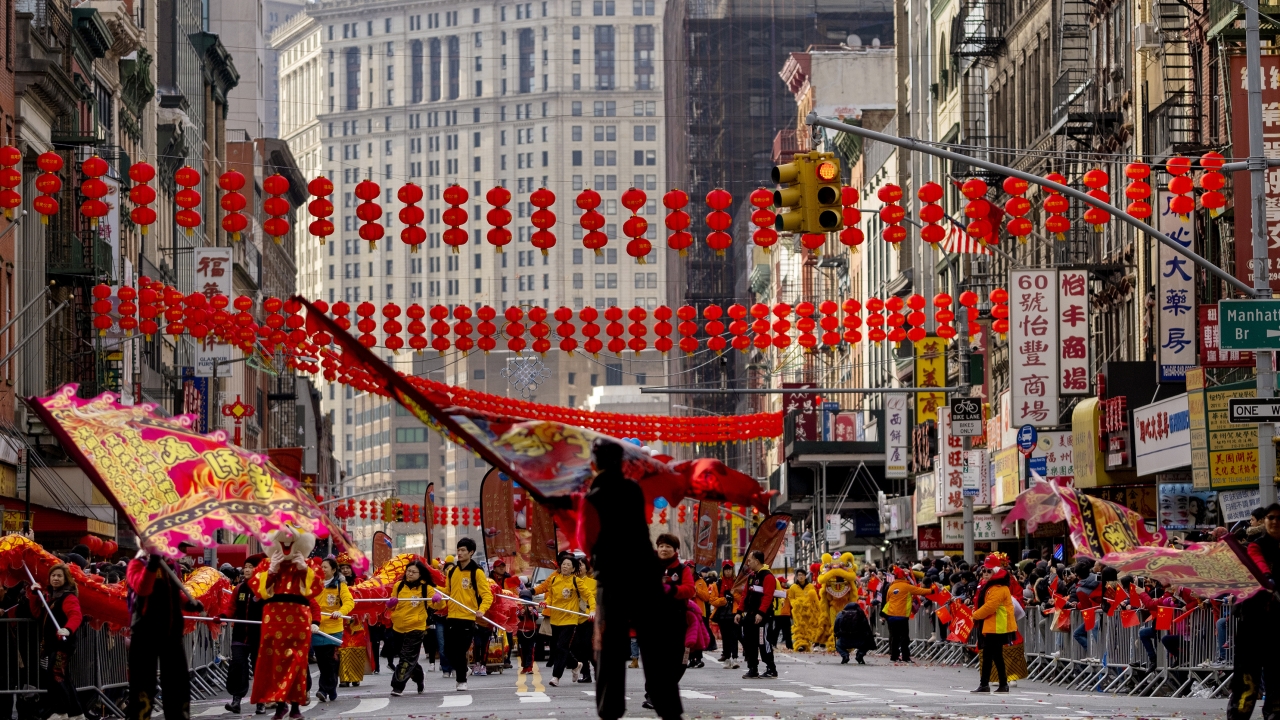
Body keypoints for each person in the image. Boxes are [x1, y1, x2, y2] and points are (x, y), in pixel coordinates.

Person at [579, 439, 682, 720]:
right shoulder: (633, 489)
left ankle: (610, 711)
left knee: (610, 650)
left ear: (594, 464)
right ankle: (669, 709)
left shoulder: (593, 497)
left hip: (612, 580)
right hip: (645, 576)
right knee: (655, 647)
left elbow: (587, 541)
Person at [249, 530, 323, 720]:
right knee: (274, 661)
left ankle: (296, 706)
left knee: (298, 661)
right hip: (273, 617)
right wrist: (272, 570)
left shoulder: (308, 564)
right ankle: (280, 704)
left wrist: (305, 570)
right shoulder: (266, 564)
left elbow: (316, 588)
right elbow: (258, 589)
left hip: (299, 617)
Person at [127, 552, 200, 720]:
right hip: (145, 634)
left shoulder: (172, 565)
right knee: (143, 687)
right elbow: (142, 588)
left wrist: (188, 603)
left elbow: (175, 592)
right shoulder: (137, 565)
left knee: (177, 685)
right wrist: (152, 565)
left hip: (172, 633)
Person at [429, 538, 494, 692]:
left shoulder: (476, 572)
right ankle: (463, 669)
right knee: (447, 651)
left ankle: (461, 680)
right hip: (451, 616)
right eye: (458, 550)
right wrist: (434, 590)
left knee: (459, 650)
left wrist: (482, 610)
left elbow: (487, 595)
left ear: (471, 552)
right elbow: (448, 592)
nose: (460, 553)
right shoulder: (452, 571)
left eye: (463, 550)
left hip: (467, 618)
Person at [29, 563, 83, 720]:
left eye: (59, 575)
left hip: (63, 645)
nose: (56, 578)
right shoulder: (49, 597)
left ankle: (61, 711)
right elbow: (36, 613)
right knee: (62, 677)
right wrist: (34, 595)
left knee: (56, 675)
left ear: (66, 579)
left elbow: (75, 615)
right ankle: (76, 712)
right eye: (53, 575)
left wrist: (68, 629)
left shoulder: (68, 597)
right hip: (53, 644)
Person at [536, 555, 592, 686]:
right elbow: (551, 597)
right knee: (557, 647)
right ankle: (575, 664)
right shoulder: (554, 579)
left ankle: (556, 676)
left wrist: (593, 610)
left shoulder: (576, 581)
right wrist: (545, 602)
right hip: (556, 619)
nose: (565, 566)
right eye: (563, 564)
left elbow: (588, 595)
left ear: (573, 569)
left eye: (568, 565)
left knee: (561, 647)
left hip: (570, 619)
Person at [224, 554, 267, 714]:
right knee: (238, 666)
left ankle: (261, 702)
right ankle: (236, 700)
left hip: (260, 636)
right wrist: (223, 617)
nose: (247, 569)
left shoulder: (265, 588)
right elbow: (231, 608)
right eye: (246, 566)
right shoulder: (239, 588)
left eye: (251, 566)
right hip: (240, 635)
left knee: (259, 670)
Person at [389, 560, 434, 696]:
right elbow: (391, 605)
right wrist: (391, 603)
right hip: (398, 627)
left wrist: (437, 600)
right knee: (407, 658)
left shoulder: (426, 588)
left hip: (416, 627)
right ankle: (420, 677)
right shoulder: (399, 585)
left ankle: (397, 686)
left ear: (420, 574)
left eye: (413, 572)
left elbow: (439, 606)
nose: (410, 574)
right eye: (408, 571)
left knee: (406, 658)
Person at [970, 563, 1016, 693]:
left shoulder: (998, 588)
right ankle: (995, 684)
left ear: (995, 573)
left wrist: (975, 615)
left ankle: (991, 684)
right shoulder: (989, 586)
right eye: (983, 570)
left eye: (989, 571)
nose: (985, 573)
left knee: (993, 656)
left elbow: (990, 607)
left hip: (996, 626)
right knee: (992, 656)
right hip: (991, 626)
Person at [313, 558, 354, 702]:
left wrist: (340, 612)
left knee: (331, 661)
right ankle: (331, 689)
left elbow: (349, 602)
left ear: (333, 570)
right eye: (321, 567)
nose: (322, 569)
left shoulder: (339, 585)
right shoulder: (313, 585)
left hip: (334, 629)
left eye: (325, 567)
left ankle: (323, 689)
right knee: (322, 662)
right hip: (316, 628)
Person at [734, 550, 777, 679]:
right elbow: (744, 595)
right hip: (750, 615)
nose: (748, 562)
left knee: (762, 642)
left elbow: (768, 597)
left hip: (762, 617)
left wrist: (761, 613)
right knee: (748, 642)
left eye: (750, 560)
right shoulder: (752, 576)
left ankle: (771, 668)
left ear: (757, 561)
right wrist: (739, 612)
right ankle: (753, 669)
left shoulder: (768, 576)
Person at [882, 566, 934, 663]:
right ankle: (905, 657)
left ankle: (894, 656)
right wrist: (932, 590)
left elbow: (887, 600)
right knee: (904, 638)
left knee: (894, 637)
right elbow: (921, 591)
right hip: (902, 616)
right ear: (903, 577)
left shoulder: (891, 587)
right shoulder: (907, 587)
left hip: (891, 615)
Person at [336, 554, 373, 686]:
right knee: (343, 648)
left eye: (348, 567)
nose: (345, 570)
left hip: (358, 621)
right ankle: (344, 678)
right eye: (342, 568)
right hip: (341, 619)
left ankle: (356, 676)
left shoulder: (360, 583)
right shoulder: (336, 585)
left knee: (357, 648)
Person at [817, 554, 859, 653]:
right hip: (833, 608)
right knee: (834, 626)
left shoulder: (849, 583)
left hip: (846, 608)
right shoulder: (828, 584)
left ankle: (847, 645)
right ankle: (834, 644)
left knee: (846, 626)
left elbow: (852, 594)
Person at [573, 557, 599, 683]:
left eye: (581, 565)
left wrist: (592, 612)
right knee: (577, 646)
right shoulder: (571, 582)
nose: (579, 568)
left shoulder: (593, 583)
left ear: (586, 567)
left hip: (588, 619)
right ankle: (586, 673)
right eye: (576, 565)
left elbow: (596, 600)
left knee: (587, 646)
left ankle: (596, 669)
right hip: (573, 618)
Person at [712, 561, 740, 669]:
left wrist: (734, 594)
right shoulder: (717, 584)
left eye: (730, 569)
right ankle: (727, 658)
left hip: (734, 613)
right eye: (726, 569)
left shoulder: (737, 583)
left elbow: (742, 598)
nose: (728, 571)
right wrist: (723, 600)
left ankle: (735, 658)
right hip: (722, 614)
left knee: (734, 636)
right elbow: (712, 599)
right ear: (722, 570)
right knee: (725, 637)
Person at [786, 570, 821, 652]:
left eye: (802, 575)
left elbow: (814, 598)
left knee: (807, 628)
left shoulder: (811, 586)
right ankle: (800, 644)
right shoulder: (793, 587)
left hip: (808, 611)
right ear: (796, 577)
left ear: (805, 576)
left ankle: (806, 644)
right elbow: (790, 598)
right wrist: (794, 604)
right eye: (799, 575)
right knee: (798, 628)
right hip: (797, 611)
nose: (800, 577)